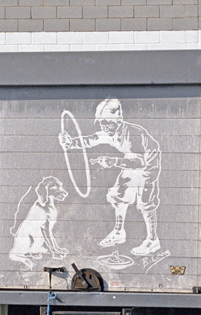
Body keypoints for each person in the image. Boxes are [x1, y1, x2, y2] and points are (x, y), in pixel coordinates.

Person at [59, 98, 161, 256]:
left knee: (145, 202)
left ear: (118, 120)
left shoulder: (133, 134)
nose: (104, 126)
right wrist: (70, 142)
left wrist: (113, 161)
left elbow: (139, 161)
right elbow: (91, 139)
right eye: (101, 122)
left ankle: (152, 239)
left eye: (107, 122)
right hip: (130, 161)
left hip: (148, 164)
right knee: (117, 195)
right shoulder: (108, 132)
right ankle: (119, 232)